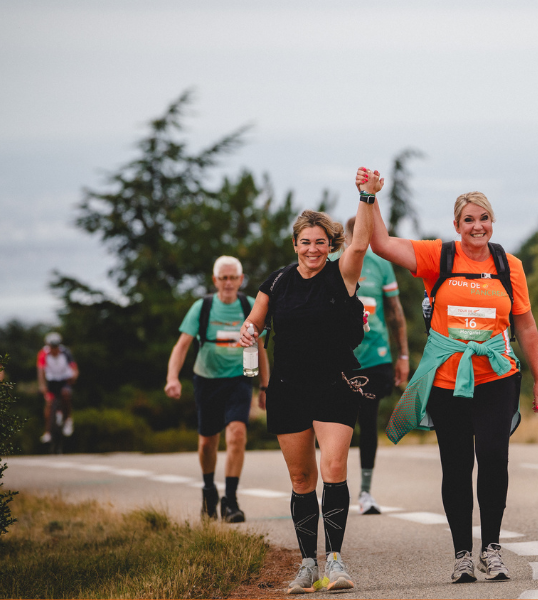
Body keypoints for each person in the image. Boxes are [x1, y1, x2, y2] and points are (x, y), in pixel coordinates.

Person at [369, 191, 538, 584]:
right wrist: (369, 197)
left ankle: (493, 550)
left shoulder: (509, 265)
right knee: (455, 466)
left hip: (497, 376)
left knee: (492, 456)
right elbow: (380, 244)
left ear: (492, 221)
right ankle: (462, 556)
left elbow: (526, 324)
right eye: (468, 219)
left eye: (484, 217)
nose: (477, 226)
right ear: (456, 225)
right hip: (447, 380)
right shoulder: (440, 257)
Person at [238, 167, 379, 594]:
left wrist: (366, 196)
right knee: (302, 480)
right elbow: (255, 322)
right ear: (295, 244)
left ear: (329, 245)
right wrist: (248, 331)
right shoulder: (278, 282)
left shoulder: (343, 273)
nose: (313, 249)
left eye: (321, 242)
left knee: (333, 467)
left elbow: (361, 241)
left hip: (335, 384)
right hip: (287, 388)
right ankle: (306, 564)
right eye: (306, 242)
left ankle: (334, 562)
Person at [164, 255, 268, 523]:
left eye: (234, 277)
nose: (229, 283)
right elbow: (182, 345)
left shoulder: (250, 306)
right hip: (207, 379)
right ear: (215, 280)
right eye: (224, 278)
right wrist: (172, 378)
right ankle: (209, 490)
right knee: (208, 441)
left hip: (239, 378)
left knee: (236, 435)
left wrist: (265, 386)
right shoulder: (203, 307)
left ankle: (230, 501)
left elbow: (261, 348)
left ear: (241, 280)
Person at [342, 215, 410, 515]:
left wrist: (403, 355)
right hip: (340, 358)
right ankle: (333, 488)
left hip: (376, 357)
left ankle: (365, 492)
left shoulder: (382, 265)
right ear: (345, 237)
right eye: (356, 235)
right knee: (338, 424)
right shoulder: (334, 261)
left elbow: (395, 311)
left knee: (368, 422)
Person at [37, 332, 78, 443]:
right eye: (52, 346)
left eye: (56, 346)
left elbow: (74, 368)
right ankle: (48, 432)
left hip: (64, 380)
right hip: (51, 381)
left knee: (66, 395)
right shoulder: (43, 354)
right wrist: (42, 385)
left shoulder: (66, 352)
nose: (54, 349)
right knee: (49, 404)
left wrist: (74, 376)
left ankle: (68, 420)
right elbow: (41, 371)